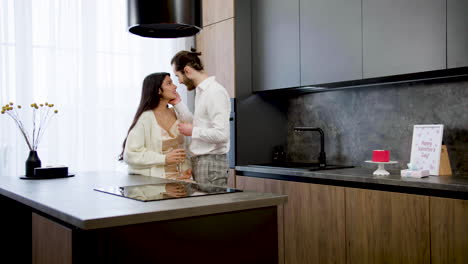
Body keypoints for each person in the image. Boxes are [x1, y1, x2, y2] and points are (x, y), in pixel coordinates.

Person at [169, 50, 231, 186]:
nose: (179, 82)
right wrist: (178, 103)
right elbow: (199, 125)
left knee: (209, 206)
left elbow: (222, 135)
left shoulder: (214, 92)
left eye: (178, 76)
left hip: (210, 163)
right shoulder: (202, 92)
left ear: (187, 71)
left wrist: (192, 132)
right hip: (203, 162)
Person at [119, 72, 192, 181]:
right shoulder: (146, 118)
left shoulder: (176, 113)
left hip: (179, 181)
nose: (175, 86)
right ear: (158, 90)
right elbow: (130, 155)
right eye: (169, 83)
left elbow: (192, 125)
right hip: (155, 183)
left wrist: (178, 103)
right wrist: (164, 159)